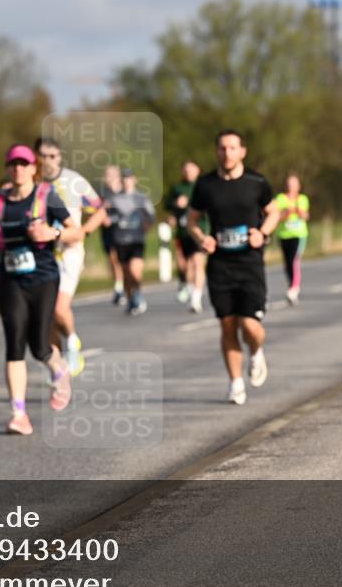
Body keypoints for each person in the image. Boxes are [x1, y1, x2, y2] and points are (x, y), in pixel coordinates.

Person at [0, 145, 81, 435]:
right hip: (11, 280)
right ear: (8, 168)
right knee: (14, 345)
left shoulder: (46, 197)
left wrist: (53, 233)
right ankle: (18, 414)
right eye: (13, 164)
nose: (18, 169)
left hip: (44, 279)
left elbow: (76, 231)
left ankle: (59, 371)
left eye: (24, 164)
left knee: (39, 345)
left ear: (33, 168)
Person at [187, 130, 279, 405]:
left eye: (232, 148)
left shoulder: (256, 182)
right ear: (217, 152)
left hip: (250, 263)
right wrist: (202, 238)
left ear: (242, 151)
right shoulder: (205, 185)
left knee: (250, 325)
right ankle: (236, 383)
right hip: (220, 265)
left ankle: (257, 351)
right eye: (222, 148)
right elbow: (192, 220)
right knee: (227, 326)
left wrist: (262, 233)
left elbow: (274, 212)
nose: (227, 153)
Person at [35, 137, 106, 377]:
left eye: (52, 156)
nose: (47, 161)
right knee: (46, 316)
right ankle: (57, 367)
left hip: (69, 253)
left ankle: (72, 343)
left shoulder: (73, 181)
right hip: (40, 254)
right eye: (43, 156)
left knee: (58, 307)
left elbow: (100, 208)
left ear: (60, 157)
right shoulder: (31, 182)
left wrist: (84, 231)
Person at [107, 169, 155, 315]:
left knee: (135, 271)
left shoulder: (141, 198)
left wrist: (145, 228)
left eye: (129, 178)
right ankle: (130, 299)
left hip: (136, 241)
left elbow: (151, 216)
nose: (127, 181)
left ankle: (138, 293)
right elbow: (107, 217)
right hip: (120, 241)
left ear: (135, 180)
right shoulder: (114, 199)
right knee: (126, 273)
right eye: (124, 178)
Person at [165, 160, 207, 312]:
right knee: (184, 265)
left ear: (198, 170)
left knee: (197, 263)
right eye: (186, 170)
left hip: (198, 230)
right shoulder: (178, 188)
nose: (189, 173)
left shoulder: (202, 186)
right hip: (182, 232)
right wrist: (176, 205)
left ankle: (196, 299)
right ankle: (188, 286)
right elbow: (168, 206)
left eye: (192, 170)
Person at [273, 173, 310, 305]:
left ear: (298, 186)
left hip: (298, 235)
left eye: (294, 184)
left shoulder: (303, 199)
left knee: (294, 260)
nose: (291, 186)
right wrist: (286, 213)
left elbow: (305, 215)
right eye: (289, 184)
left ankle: (294, 288)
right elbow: (276, 216)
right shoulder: (281, 198)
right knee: (287, 262)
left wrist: (298, 212)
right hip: (284, 234)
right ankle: (292, 286)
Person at [98, 165, 126, 305]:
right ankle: (118, 287)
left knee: (118, 259)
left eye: (111, 174)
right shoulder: (102, 193)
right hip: (107, 232)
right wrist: (100, 216)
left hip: (122, 232)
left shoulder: (124, 192)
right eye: (106, 174)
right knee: (112, 260)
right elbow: (95, 209)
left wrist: (112, 219)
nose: (108, 177)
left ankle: (121, 289)